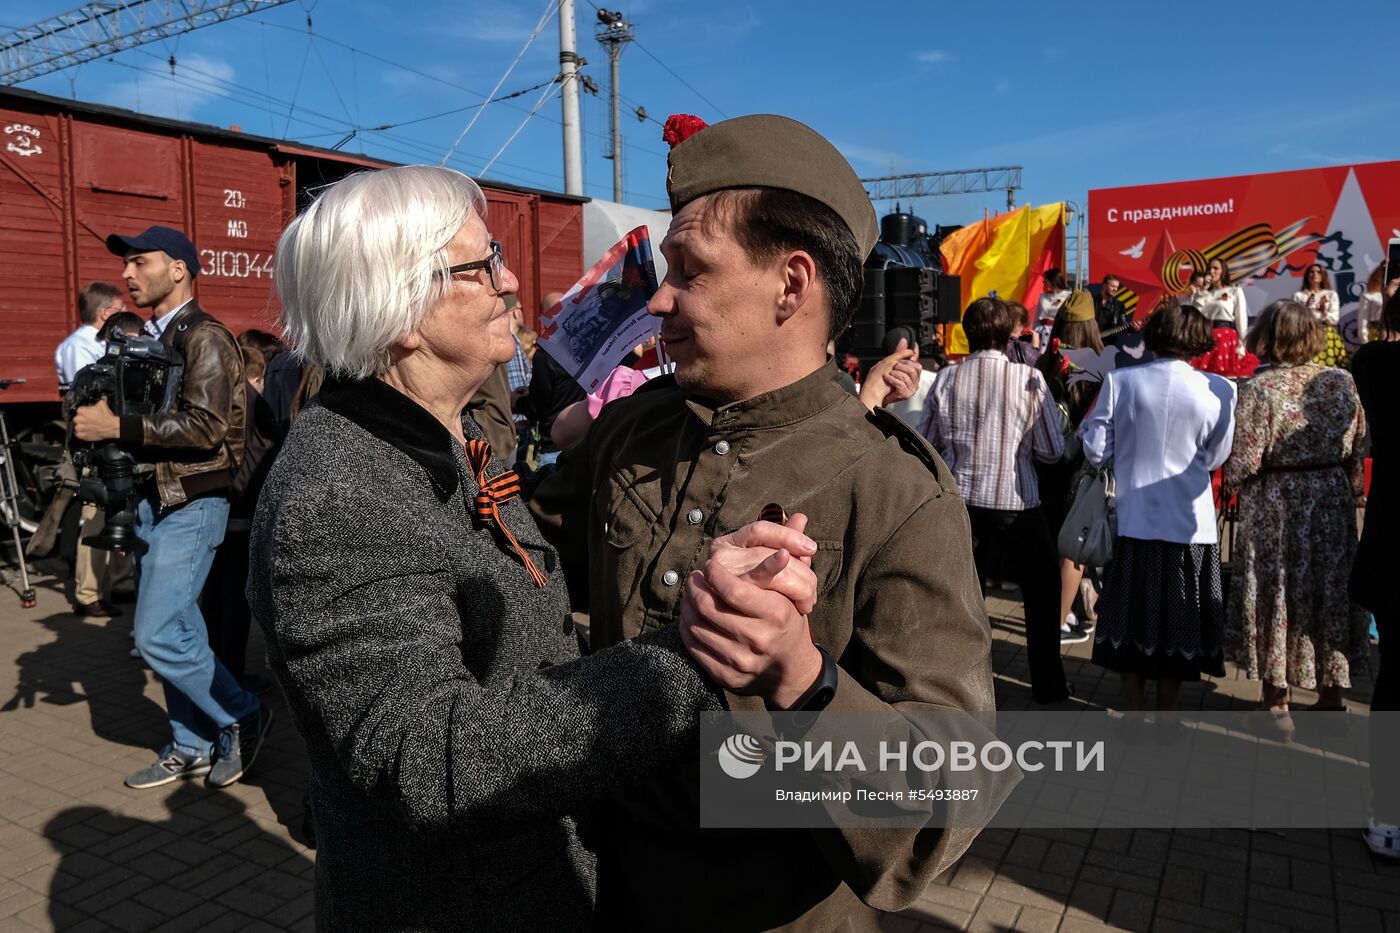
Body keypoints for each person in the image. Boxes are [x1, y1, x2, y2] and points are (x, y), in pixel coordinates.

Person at [248, 164, 825, 931]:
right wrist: (689, 650)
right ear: (402, 311)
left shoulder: (428, 443)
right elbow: (429, 758)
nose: (512, 280)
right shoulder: (343, 489)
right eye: (482, 264)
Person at [531, 113, 996, 931]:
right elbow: (520, 549)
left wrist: (801, 678)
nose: (661, 300)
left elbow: (945, 803)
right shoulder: (637, 430)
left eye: (691, 271)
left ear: (792, 284)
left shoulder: (896, 491)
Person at [71, 225, 268, 790]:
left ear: (179, 268)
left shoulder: (203, 336)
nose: (127, 275)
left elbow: (208, 428)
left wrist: (119, 425)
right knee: (180, 630)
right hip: (154, 500)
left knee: (156, 634)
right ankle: (191, 743)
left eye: (140, 262)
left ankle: (242, 714)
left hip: (192, 500)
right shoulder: (152, 336)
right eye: (126, 265)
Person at [1223, 300, 1368, 738]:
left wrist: (1231, 484)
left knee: (1276, 592)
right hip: (1330, 499)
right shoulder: (1341, 381)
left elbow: (1244, 460)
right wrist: (1353, 488)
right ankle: (1331, 698)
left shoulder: (1260, 388)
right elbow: (1358, 445)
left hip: (1277, 504)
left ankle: (1277, 704)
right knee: (1329, 593)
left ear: (1266, 334)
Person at [1081, 300, 1236, 711]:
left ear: (1153, 334)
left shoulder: (1121, 382)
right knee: (1181, 626)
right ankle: (1167, 717)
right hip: (1191, 526)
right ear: (1200, 339)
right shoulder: (1221, 388)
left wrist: (1124, 458)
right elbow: (1217, 457)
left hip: (1133, 520)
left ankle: (1131, 710)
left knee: (1129, 620)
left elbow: (1096, 450)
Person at [921, 295, 1076, 693]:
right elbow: (1052, 451)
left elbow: (927, 445)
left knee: (961, 594)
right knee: (1042, 590)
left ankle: (957, 684)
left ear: (967, 334)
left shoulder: (946, 378)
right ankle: (1048, 683)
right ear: (1009, 335)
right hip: (1016, 500)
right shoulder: (1029, 380)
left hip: (960, 499)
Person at [1350, 289, 1400, 857]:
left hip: (1393, 547)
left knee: (1393, 679)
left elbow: (1374, 349)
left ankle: (1388, 814)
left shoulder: (1374, 365)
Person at [1035, 292, 1105, 642]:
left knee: (1056, 549)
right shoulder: (1101, 366)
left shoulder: (1045, 364)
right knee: (1074, 552)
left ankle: (1066, 615)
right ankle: (1056, 626)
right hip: (1083, 470)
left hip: (1045, 468)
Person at [59, 283, 131, 619]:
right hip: (94, 446)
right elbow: (86, 398)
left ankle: (121, 581)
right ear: (105, 313)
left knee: (117, 512)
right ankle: (88, 595)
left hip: (112, 443)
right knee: (94, 518)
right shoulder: (81, 347)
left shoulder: (96, 344)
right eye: (120, 308)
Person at [55, 282, 124, 392]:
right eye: (120, 310)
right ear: (105, 313)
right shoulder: (78, 347)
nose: (124, 315)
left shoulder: (103, 343)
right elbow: (83, 393)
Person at [1194, 258, 1256, 377]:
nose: (1211, 271)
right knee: (1204, 377)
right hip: (1206, 338)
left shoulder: (1235, 291)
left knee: (1227, 376)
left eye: (1215, 268)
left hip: (1225, 339)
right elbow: (1196, 314)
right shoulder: (1204, 294)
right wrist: (1202, 292)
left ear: (1223, 271)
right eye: (1209, 269)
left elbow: (1241, 320)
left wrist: (1241, 347)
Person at [1033, 267, 1071, 346]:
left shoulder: (1068, 296)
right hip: (1043, 334)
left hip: (1060, 334)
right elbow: (1037, 316)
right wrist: (1036, 330)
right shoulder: (1043, 297)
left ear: (1053, 280)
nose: (1043, 281)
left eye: (1045, 279)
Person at [1005, 301, 1042, 366]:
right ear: (1019, 323)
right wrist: (1035, 347)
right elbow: (1040, 365)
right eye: (1023, 325)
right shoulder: (1024, 348)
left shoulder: (990, 343)